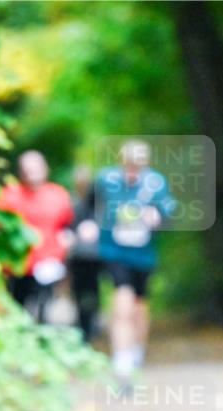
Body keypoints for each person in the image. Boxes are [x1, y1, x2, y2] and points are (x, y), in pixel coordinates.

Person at [95, 140, 177, 382]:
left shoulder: (156, 183)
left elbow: (169, 215)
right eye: (129, 165)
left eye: (138, 166)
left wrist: (157, 218)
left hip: (143, 254)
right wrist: (87, 225)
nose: (133, 171)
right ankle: (121, 359)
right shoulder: (105, 180)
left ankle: (137, 351)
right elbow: (90, 206)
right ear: (122, 162)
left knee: (139, 307)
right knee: (122, 301)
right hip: (114, 251)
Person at [0, 150, 74, 323]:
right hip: (17, 264)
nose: (32, 175)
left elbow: (68, 225)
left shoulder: (58, 195)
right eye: (28, 170)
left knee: (43, 310)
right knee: (16, 307)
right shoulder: (9, 195)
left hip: (48, 263)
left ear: (45, 169)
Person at [67, 165, 102, 342]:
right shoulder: (72, 204)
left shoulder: (94, 204)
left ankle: (91, 324)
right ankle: (84, 325)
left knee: (92, 291)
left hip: (93, 257)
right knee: (80, 292)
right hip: (77, 257)